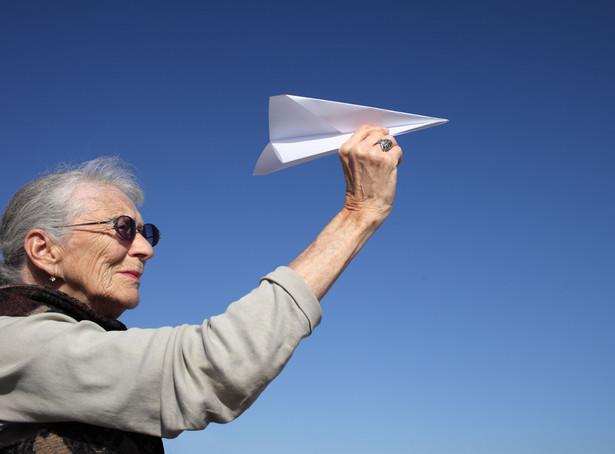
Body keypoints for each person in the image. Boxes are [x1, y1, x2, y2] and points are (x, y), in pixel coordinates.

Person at [0, 125, 402, 453]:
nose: (144, 249)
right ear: (44, 250)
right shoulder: (11, 341)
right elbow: (205, 369)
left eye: (147, 233)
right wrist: (359, 214)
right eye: (123, 229)